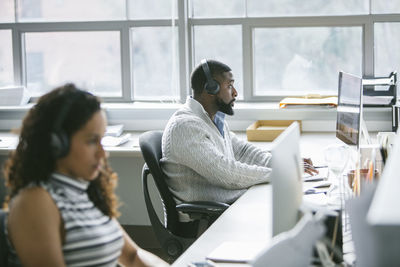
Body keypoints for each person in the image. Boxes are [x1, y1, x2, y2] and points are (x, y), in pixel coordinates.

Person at [2, 84, 168, 267]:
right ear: (57, 143)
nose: (102, 154)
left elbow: (132, 256)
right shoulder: (35, 201)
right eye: (91, 141)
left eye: (101, 140)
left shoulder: (86, 194)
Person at [161, 59, 317, 212]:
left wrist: (283, 164)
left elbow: (243, 152)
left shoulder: (212, 119)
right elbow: (225, 173)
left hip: (231, 202)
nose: (235, 92)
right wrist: (282, 172)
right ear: (211, 89)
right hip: (209, 216)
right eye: (229, 86)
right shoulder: (185, 127)